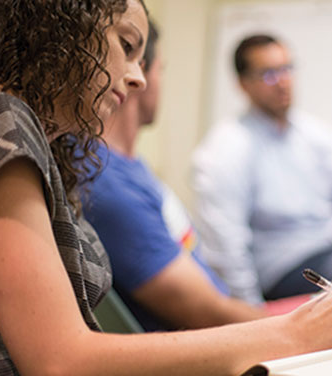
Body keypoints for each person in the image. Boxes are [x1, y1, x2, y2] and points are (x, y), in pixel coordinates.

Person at [0, 1, 332, 375]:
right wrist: (296, 332)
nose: (139, 78)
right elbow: (59, 361)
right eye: (127, 45)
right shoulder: (3, 121)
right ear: (65, 30)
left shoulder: (45, 146)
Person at [192, 34, 332, 304]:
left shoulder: (311, 132)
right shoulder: (227, 148)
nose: (282, 81)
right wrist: (252, 314)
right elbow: (226, 246)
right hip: (287, 267)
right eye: (268, 74)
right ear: (243, 84)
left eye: (287, 69)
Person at [82, 20, 269, 331]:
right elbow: (207, 313)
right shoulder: (106, 182)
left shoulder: (129, 167)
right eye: (162, 69)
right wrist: (300, 325)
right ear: (137, 74)